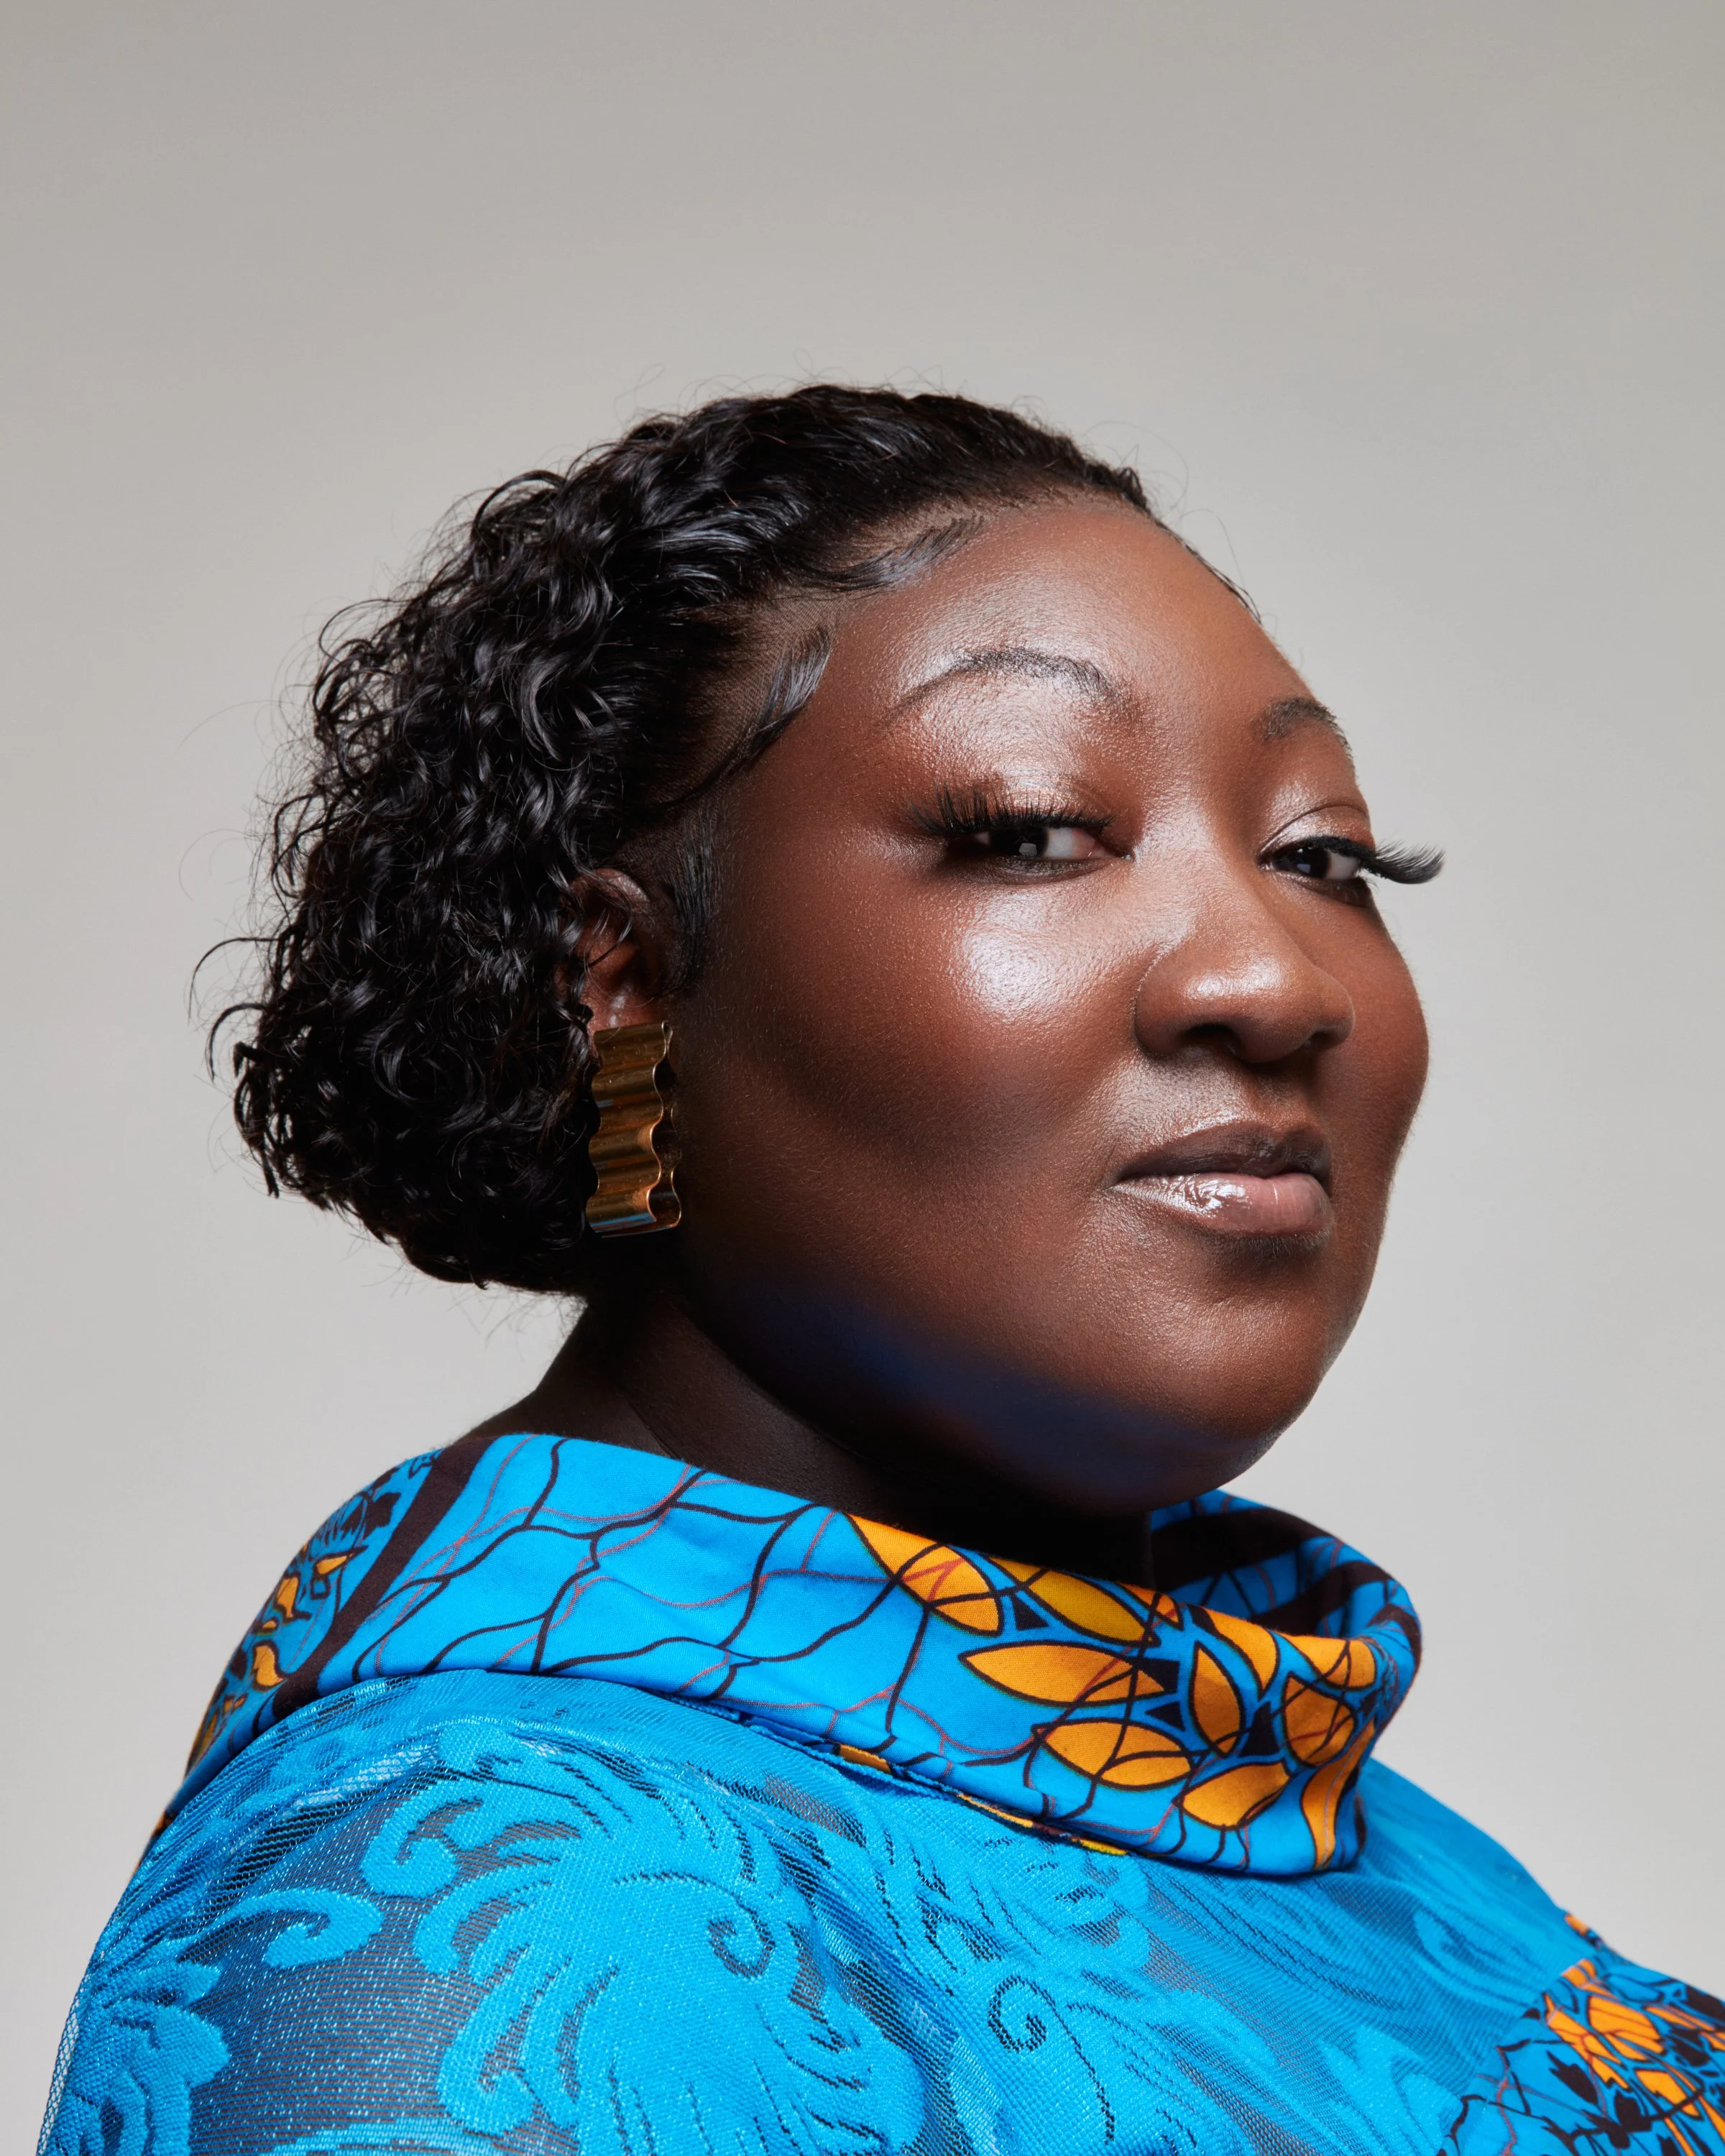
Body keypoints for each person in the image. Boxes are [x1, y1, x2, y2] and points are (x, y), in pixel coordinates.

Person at [40, 387, 1724, 2156]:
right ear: (622, 978)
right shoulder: (477, 1922)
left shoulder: (1320, 1816)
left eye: (1325, 857)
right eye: (1032, 826)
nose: (1273, 975)